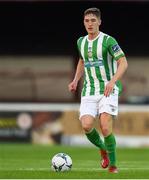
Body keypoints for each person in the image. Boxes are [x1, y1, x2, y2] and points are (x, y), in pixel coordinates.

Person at [68, 7, 128, 173]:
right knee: (86, 125)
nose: (90, 24)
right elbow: (82, 61)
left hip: (108, 89)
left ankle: (113, 166)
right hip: (89, 90)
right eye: (87, 21)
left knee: (105, 126)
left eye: (93, 20)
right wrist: (75, 80)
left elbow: (123, 63)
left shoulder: (109, 41)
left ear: (99, 22)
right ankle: (103, 149)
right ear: (84, 23)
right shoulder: (81, 42)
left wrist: (112, 81)